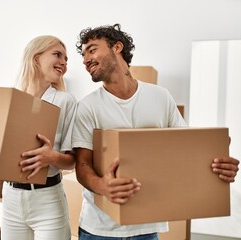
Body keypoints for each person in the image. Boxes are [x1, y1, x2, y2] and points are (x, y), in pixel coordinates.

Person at [71, 23, 240, 240]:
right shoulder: (87, 106)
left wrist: (217, 163)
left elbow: (186, 149)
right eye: (83, 55)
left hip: (146, 228)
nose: (85, 60)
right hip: (99, 229)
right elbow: (82, 164)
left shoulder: (160, 97)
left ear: (117, 47)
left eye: (92, 49)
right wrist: (101, 186)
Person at [1, 35, 77, 240]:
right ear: (36, 58)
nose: (63, 62)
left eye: (66, 59)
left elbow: (72, 160)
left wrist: (52, 157)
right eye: (57, 55)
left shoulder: (66, 102)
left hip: (47, 198)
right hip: (10, 197)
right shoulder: (10, 99)